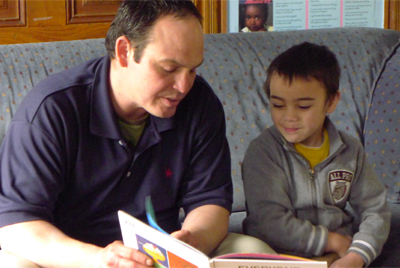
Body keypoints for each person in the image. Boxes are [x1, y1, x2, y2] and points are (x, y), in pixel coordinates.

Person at [0, 0, 274, 267]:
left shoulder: (199, 103)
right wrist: (97, 260)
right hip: (73, 258)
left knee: (253, 251)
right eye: (169, 69)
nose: (183, 86)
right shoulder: (52, 110)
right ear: (124, 52)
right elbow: (15, 227)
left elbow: (210, 200)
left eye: (192, 70)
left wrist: (192, 243)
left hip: (160, 255)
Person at [242, 42, 391, 268]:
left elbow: (375, 210)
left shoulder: (350, 151)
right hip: (276, 256)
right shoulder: (263, 152)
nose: (288, 117)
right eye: (278, 105)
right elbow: (268, 222)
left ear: (331, 101)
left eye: (303, 107)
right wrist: (328, 240)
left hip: (336, 256)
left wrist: (356, 256)